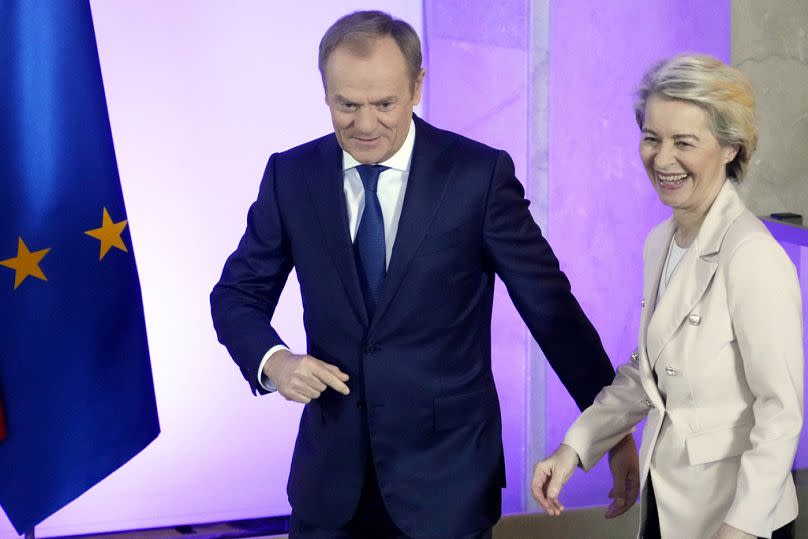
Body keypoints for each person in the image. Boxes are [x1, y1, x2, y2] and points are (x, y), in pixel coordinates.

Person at [211, 10, 636, 539]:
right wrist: (274, 361)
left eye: (384, 104)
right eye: (347, 105)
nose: (365, 125)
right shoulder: (290, 176)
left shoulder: (478, 176)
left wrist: (611, 431)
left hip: (447, 487)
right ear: (325, 93)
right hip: (329, 487)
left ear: (416, 87)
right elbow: (236, 296)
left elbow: (552, 311)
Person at [532, 54, 804, 539]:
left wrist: (740, 529)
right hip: (668, 506)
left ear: (729, 148)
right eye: (652, 138)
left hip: (736, 521)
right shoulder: (661, 242)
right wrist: (573, 449)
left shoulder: (752, 256)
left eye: (684, 142)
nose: (662, 159)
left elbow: (780, 411)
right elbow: (649, 372)